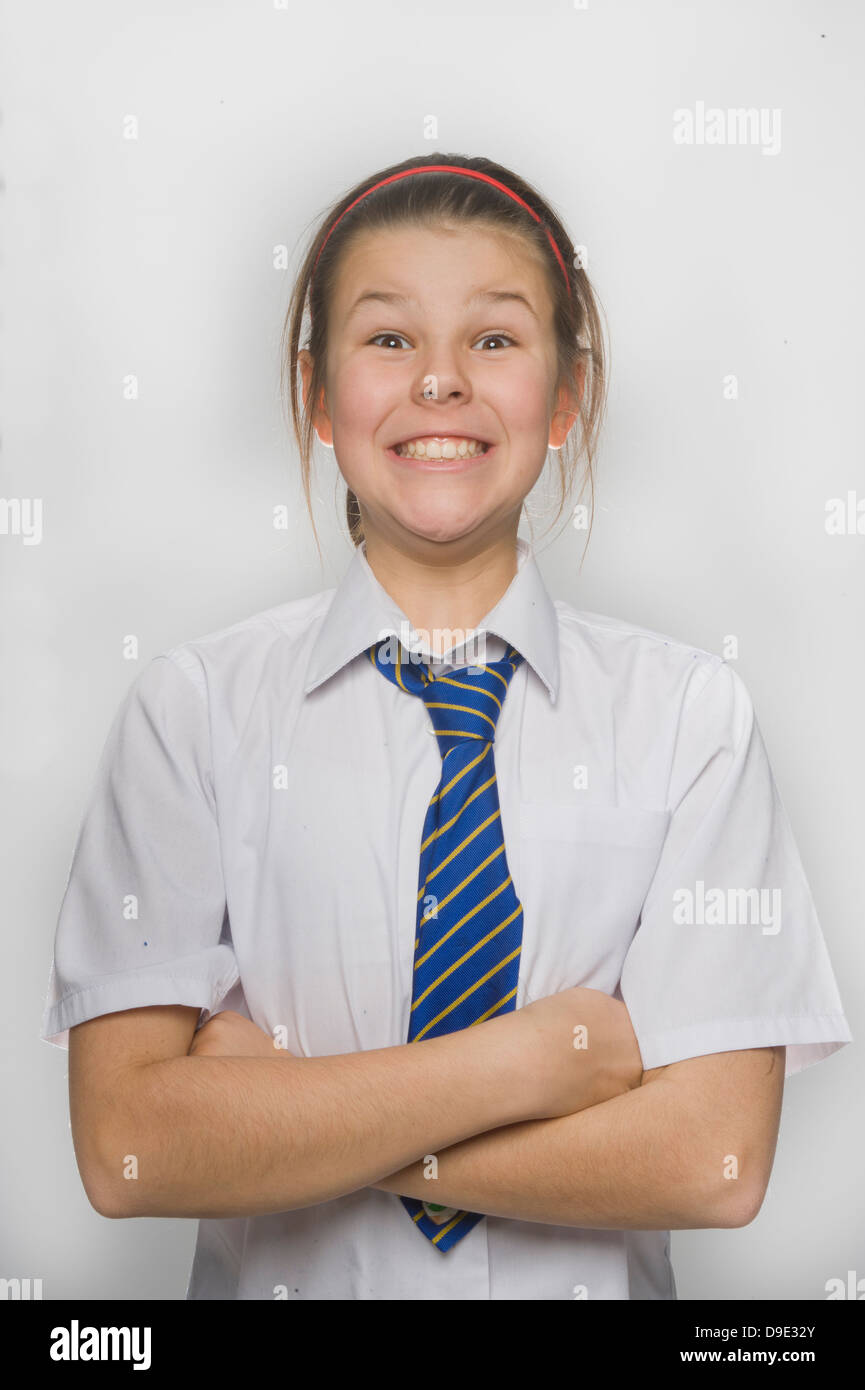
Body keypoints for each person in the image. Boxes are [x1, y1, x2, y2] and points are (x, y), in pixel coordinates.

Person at [40, 153, 852, 1300]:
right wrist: (538, 1056)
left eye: (494, 338)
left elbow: (711, 1162)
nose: (437, 382)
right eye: (386, 339)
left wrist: (285, 1113)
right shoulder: (194, 713)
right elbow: (129, 1148)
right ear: (318, 398)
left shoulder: (686, 719)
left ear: (564, 395)